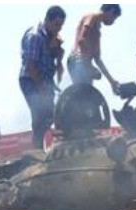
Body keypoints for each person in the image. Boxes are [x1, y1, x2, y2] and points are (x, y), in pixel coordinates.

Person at [20, 6, 66, 150]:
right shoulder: (35, 36)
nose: (58, 29)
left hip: (46, 81)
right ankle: (37, 150)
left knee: (52, 114)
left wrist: (58, 56)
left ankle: (45, 147)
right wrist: (42, 88)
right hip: (31, 80)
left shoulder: (51, 38)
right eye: (56, 24)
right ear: (47, 20)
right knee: (40, 114)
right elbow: (31, 66)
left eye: (61, 25)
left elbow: (54, 66)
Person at [67, 4, 121, 94]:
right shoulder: (92, 17)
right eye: (114, 18)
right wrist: (88, 65)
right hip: (78, 60)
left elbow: (97, 59)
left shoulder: (97, 33)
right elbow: (81, 40)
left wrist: (111, 81)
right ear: (111, 11)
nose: (113, 22)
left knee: (88, 93)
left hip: (83, 63)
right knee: (83, 93)